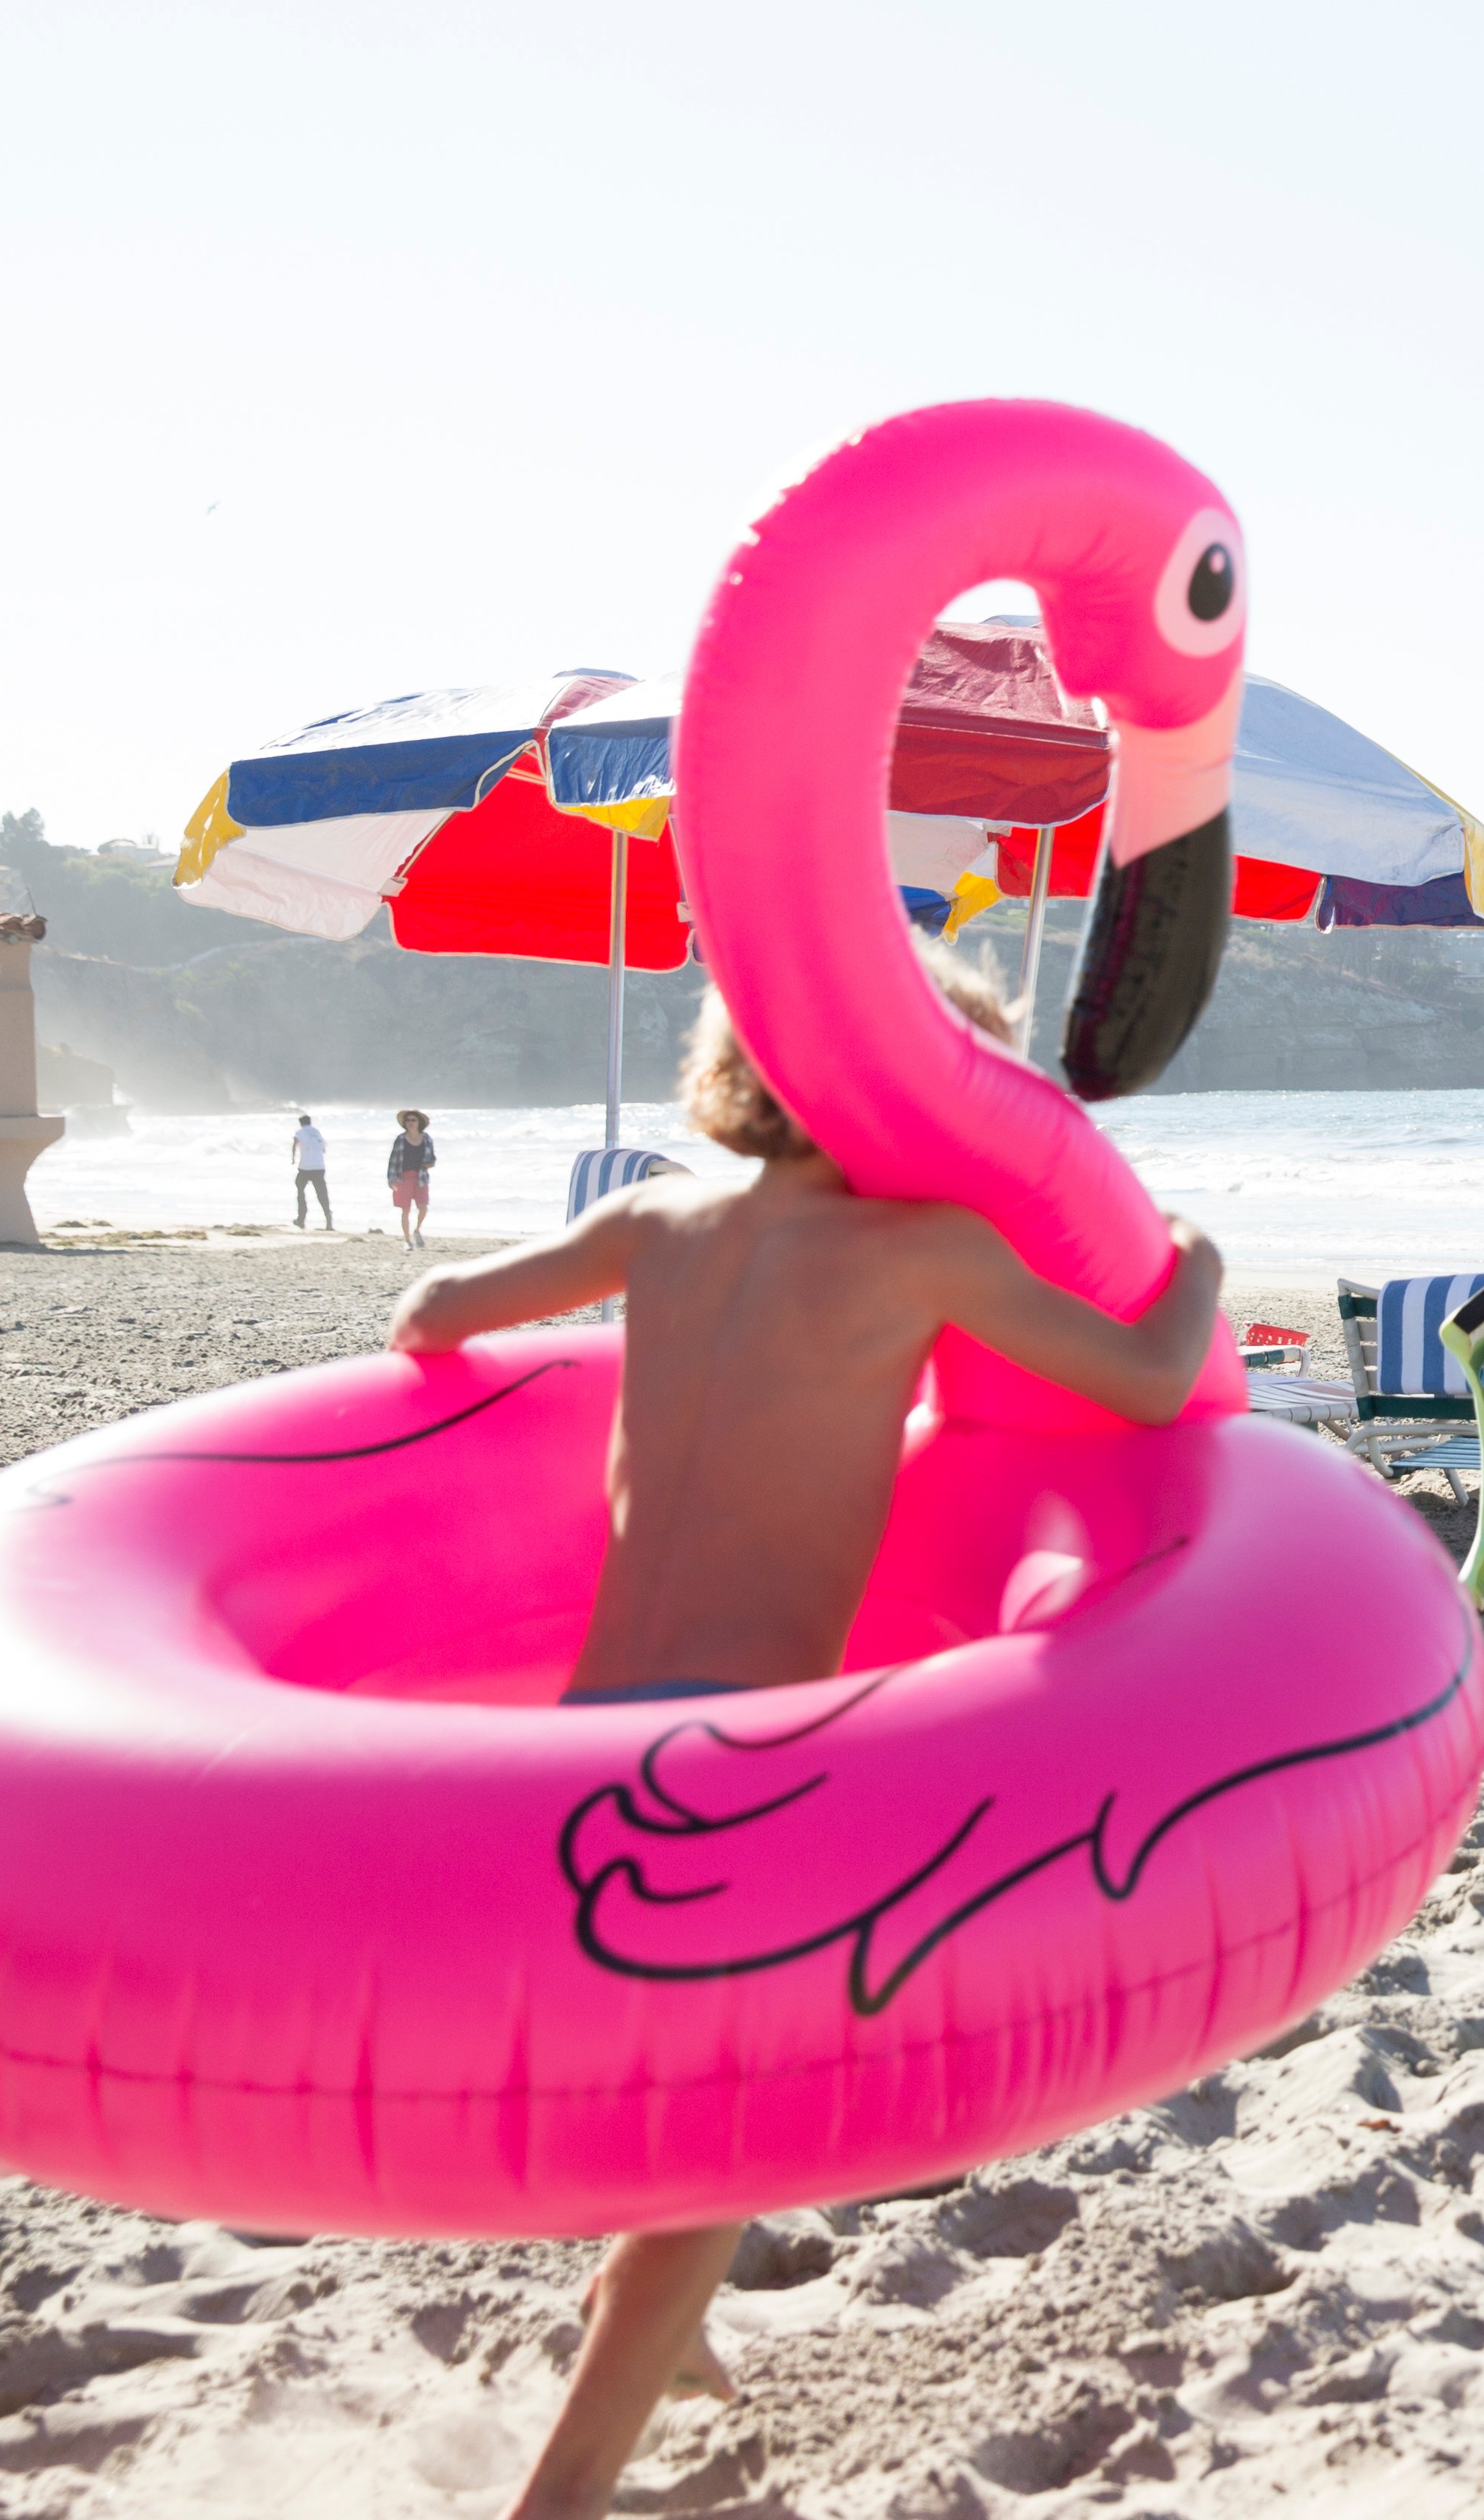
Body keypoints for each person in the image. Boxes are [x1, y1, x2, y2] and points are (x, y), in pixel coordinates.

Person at [384, 946, 1225, 2520]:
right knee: (736, 2124)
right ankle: (561, 2490)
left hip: (579, 1740)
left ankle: (656, 2324)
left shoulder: (654, 1223)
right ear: (932, 1089)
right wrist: (1195, 1263)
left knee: (704, 2106)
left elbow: (429, 1310)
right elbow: (1152, 1379)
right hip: (732, 1767)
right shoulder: (925, 1252)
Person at [384, 1108, 438, 1251]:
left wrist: (430, 1164)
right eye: (408, 1120)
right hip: (403, 1178)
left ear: (419, 1122)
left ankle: (417, 1230)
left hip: (421, 1177)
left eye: (413, 1120)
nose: (410, 1123)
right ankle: (407, 1240)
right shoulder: (401, 1139)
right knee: (405, 1210)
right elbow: (393, 1160)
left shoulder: (426, 1139)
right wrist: (391, 1178)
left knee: (423, 1207)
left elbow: (432, 1158)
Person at [288, 1111, 331, 1230]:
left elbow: (295, 1143)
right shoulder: (317, 1132)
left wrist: (293, 1158)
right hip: (319, 1167)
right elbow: (323, 1149)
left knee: (300, 1191)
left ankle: (301, 1219)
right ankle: (329, 1219)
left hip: (305, 1167)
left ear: (301, 1123)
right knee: (322, 1194)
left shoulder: (300, 1132)